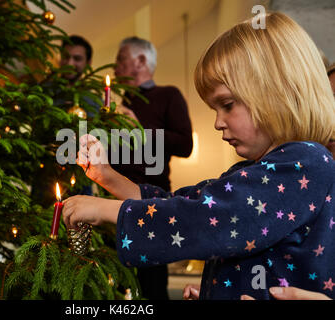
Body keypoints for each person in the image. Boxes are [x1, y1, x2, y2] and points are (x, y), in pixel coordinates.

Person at [62, 12, 335, 300]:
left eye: (227, 104)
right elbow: (182, 203)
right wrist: (105, 175)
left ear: (277, 94)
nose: (218, 122)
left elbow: (210, 217)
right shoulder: (253, 170)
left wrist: (104, 209)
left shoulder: (306, 163)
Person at [109, 37, 193, 300]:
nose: (115, 67)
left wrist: (141, 130)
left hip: (152, 202)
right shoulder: (120, 104)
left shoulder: (168, 95)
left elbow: (185, 145)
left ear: (141, 61)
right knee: (115, 282)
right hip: (113, 200)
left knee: (152, 284)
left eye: (121, 59)